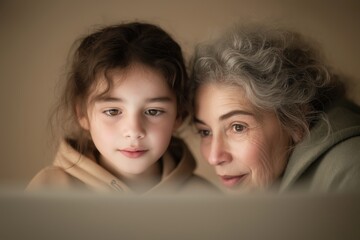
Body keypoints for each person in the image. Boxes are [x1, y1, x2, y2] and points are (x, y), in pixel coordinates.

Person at [27, 22, 216, 195]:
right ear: (82, 114)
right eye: (113, 111)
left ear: (178, 115)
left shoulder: (204, 197)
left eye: (153, 111)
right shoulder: (50, 189)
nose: (134, 132)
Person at [190, 24, 360, 193]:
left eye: (238, 127)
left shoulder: (350, 172)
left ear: (295, 119)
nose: (214, 157)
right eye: (205, 132)